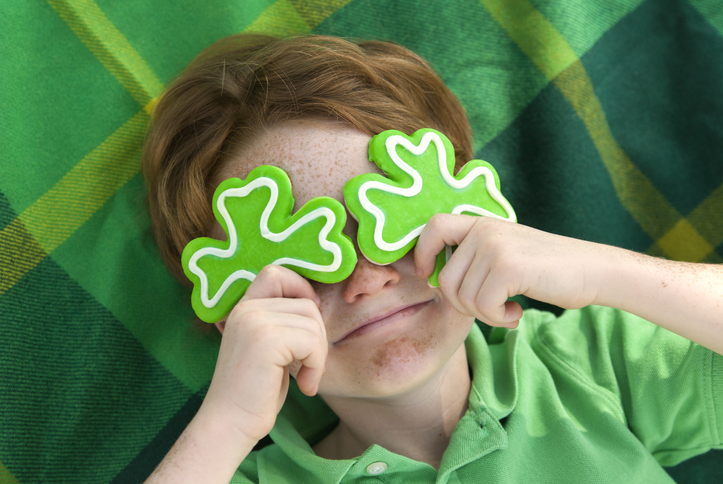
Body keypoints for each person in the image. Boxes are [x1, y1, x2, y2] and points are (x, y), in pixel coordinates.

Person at [141, 33, 723, 483]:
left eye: (390, 224)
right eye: (305, 259)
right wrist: (226, 425)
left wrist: (604, 271)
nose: (366, 279)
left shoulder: (586, 367)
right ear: (232, 311)